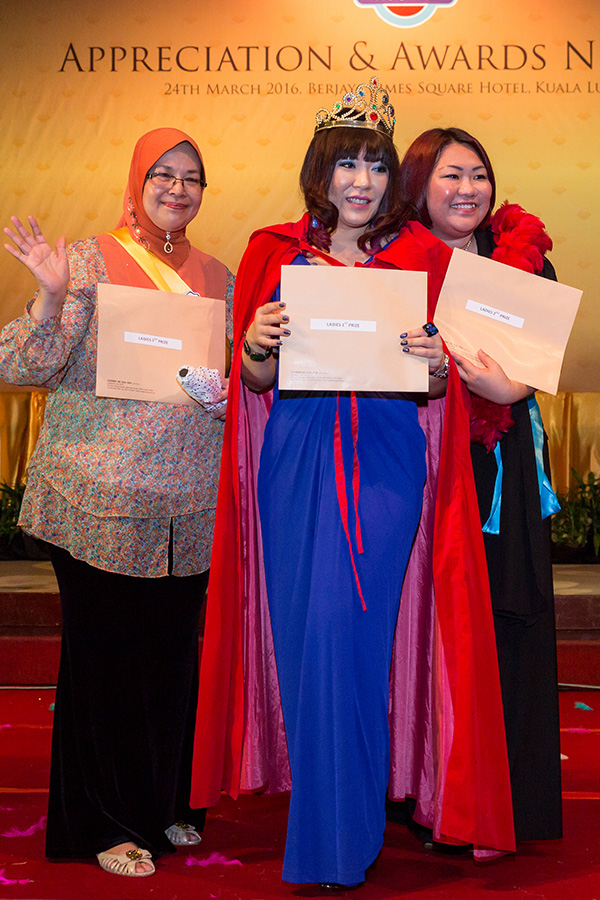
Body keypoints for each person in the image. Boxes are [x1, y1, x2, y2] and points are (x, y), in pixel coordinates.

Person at [190, 82, 515, 888]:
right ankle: (333, 830)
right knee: (307, 642)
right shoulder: (273, 251)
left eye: (375, 165)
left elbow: (438, 394)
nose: (362, 181)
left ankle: (342, 840)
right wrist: (255, 343)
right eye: (348, 165)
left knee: (355, 640)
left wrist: (436, 365)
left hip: (387, 469)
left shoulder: (424, 257)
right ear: (322, 172)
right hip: (296, 461)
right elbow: (255, 383)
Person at [0, 128, 233, 876]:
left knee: (173, 661)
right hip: (97, 497)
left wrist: (228, 395)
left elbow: (233, 380)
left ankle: (168, 803)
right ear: (136, 181)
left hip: (188, 508)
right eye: (162, 173)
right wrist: (50, 293)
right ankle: (99, 822)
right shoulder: (89, 261)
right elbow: (21, 365)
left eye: (191, 177)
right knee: (104, 665)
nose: (177, 188)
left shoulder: (219, 277)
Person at [391, 127, 562, 843]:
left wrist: (510, 387)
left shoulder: (520, 260)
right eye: (451, 175)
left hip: (500, 465)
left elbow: (539, 357)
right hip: (418, 460)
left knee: (504, 619)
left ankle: (503, 801)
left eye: (479, 175)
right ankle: (423, 793)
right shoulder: (392, 262)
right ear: (418, 185)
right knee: (423, 625)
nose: (469, 190)